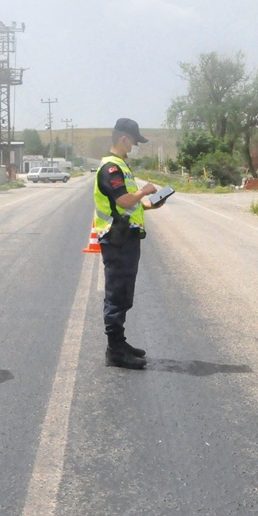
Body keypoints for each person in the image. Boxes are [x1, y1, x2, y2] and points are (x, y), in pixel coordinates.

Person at [93, 117, 169, 369]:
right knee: (116, 293)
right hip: (116, 239)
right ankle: (114, 351)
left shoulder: (121, 166)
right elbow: (124, 200)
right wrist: (145, 191)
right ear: (123, 139)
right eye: (134, 142)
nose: (135, 146)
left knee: (124, 293)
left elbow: (130, 205)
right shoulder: (111, 168)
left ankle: (120, 343)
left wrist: (151, 203)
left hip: (126, 235)